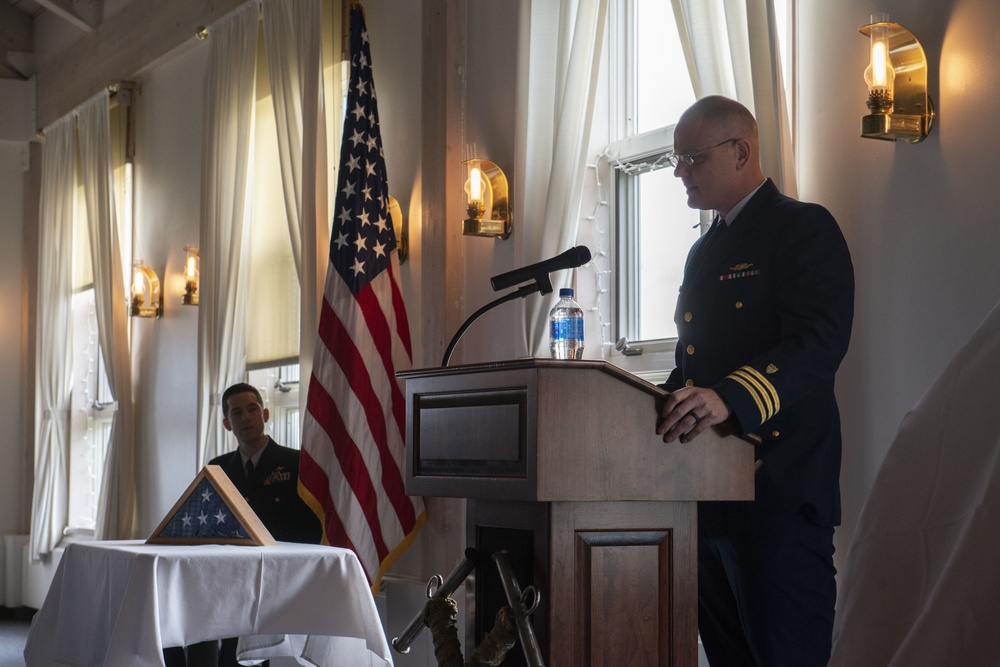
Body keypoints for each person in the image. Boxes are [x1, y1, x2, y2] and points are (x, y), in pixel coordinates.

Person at [654, 95, 854, 666]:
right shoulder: (704, 250)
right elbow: (693, 364)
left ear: (740, 151)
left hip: (779, 493)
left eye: (691, 158)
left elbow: (817, 344)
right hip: (710, 496)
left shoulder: (801, 228)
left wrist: (729, 397)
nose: (678, 172)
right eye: (677, 159)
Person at [166, 382, 322, 667]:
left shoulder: (295, 463)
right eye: (237, 413)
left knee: (250, 655)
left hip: (273, 577)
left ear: (265, 414)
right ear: (227, 423)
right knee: (203, 643)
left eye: (252, 410)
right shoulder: (218, 468)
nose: (245, 418)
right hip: (225, 577)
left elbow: (309, 528)